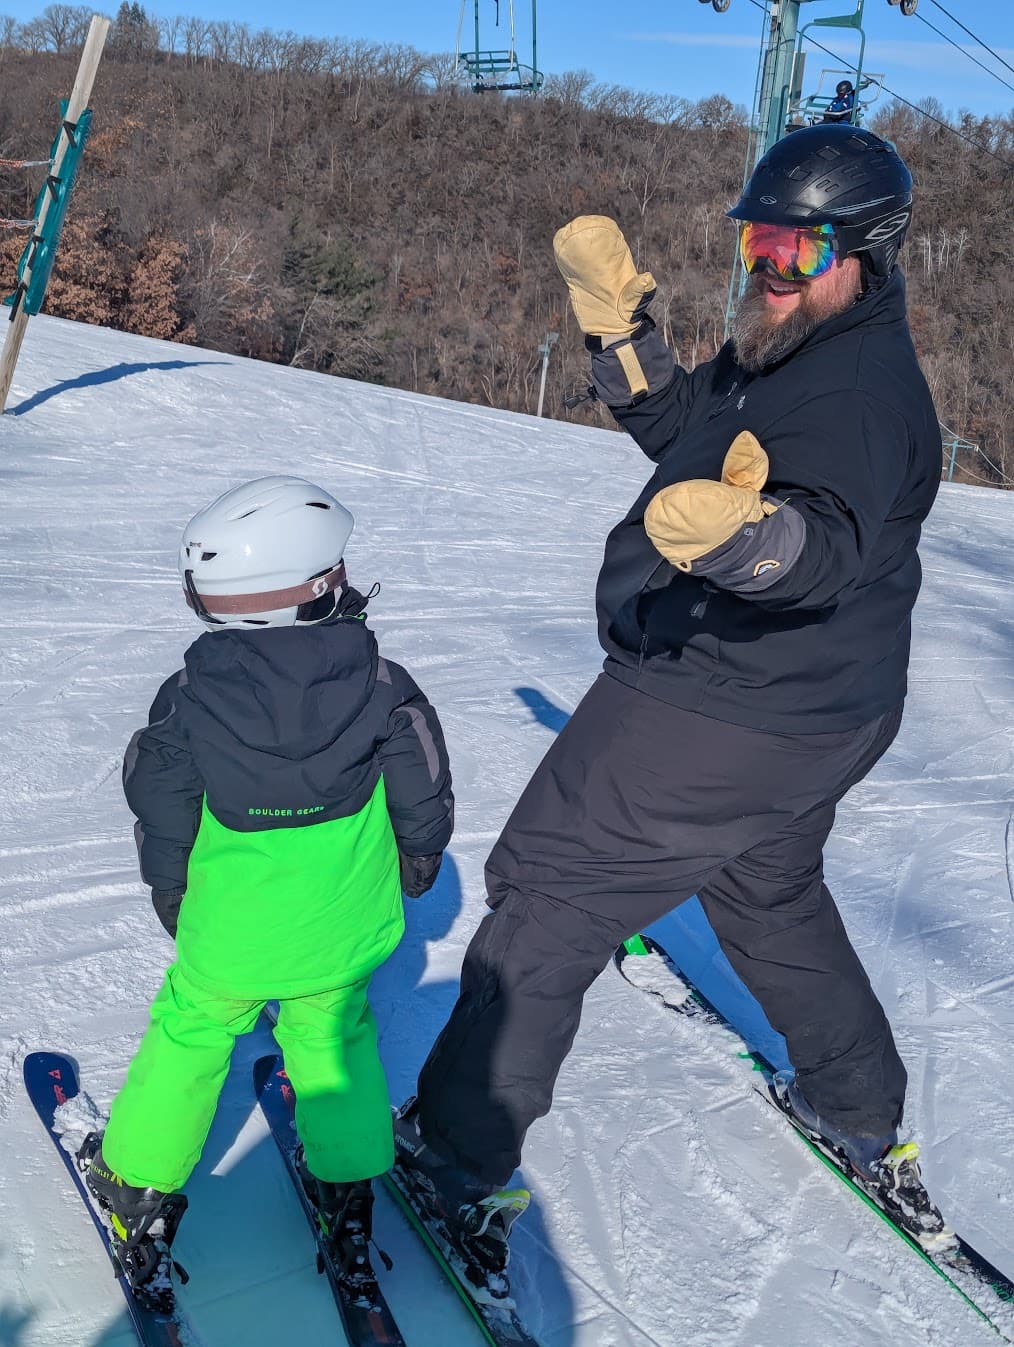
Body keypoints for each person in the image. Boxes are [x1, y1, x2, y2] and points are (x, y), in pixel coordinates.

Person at [394, 125, 952, 1259]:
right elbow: (694, 431)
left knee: (551, 901)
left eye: (796, 253)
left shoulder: (858, 396)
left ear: (868, 252)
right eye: (757, 242)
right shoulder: (792, 346)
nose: (768, 272)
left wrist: (755, 545)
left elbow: (824, 548)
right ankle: (857, 1109)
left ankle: (452, 1158)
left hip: (723, 704)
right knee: (765, 890)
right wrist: (623, 339)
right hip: (821, 709)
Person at [82, 475, 454, 1302]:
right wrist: (416, 866)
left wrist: (174, 894)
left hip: (232, 936)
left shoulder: (188, 701)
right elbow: (423, 791)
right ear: (319, 588)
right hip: (343, 927)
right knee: (334, 1037)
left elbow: (162, 806)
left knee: (192, 1033)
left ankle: (135, 1181)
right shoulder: (385, 686)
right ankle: (347, 1185)